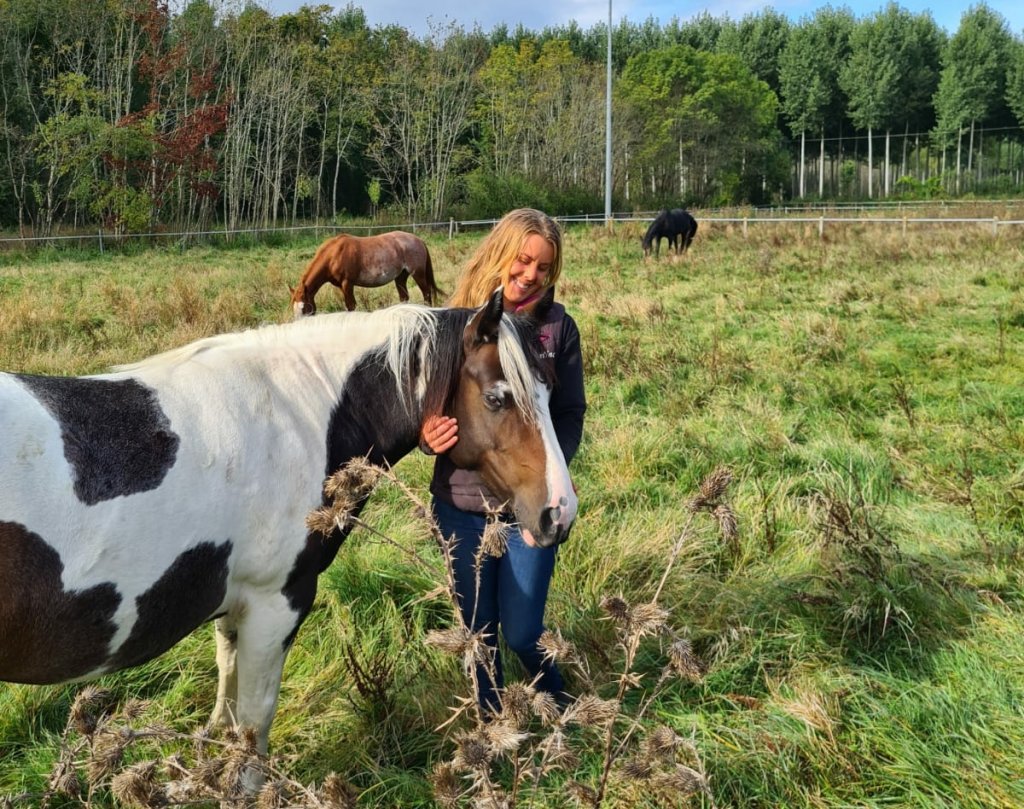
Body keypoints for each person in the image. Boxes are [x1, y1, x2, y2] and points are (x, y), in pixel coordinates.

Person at [420, 208, 586, 714]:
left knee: (522, 631)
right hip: (461, 505)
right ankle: (491, 725)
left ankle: (560, 704)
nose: (531, 275)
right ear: (500, 253)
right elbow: (427, 405)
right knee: (478, 634)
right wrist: (428, 436)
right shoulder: (455, 323)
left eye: (544, 267)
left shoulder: (556, 329)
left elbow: (570, 413)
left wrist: (549, 481)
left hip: (526, 503)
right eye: (523, 260)